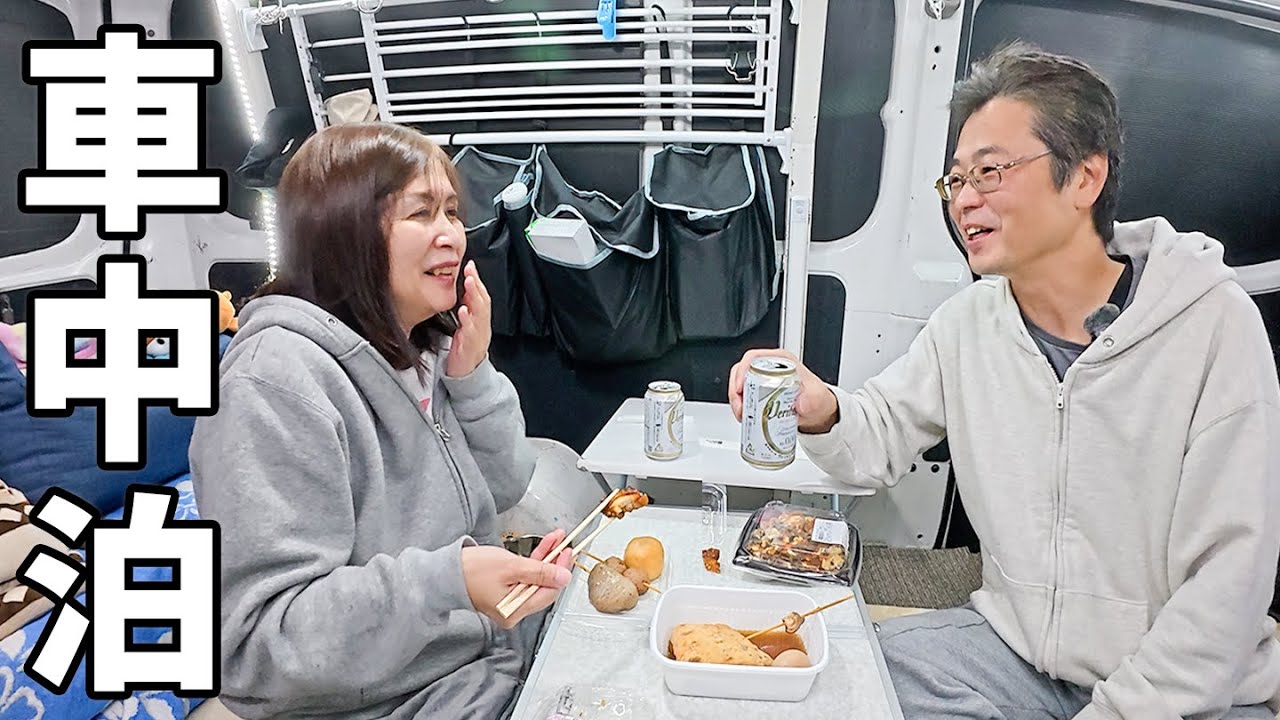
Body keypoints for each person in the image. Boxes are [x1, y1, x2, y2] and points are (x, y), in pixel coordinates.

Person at [730, 42, 1280, 719]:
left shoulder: (1211, 325)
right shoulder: (969, 323)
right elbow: (879, 436)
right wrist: (821, 410)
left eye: (990, 172)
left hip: (1190, 687)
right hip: (1016, 655)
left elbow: (1229, 580)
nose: (965, 200)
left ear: (1084, 178)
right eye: (955, 180)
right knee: (839, 684)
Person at [189, 122, 573, 720]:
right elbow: (259, 646)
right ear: (345, 231)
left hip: (477, 660)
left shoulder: (423, 346)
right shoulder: (272, 384)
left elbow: (503, 489)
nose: (452, 235)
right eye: (422, 213)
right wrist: (447, 582)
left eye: (452, 211)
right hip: (398, 702)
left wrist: (473, 378)